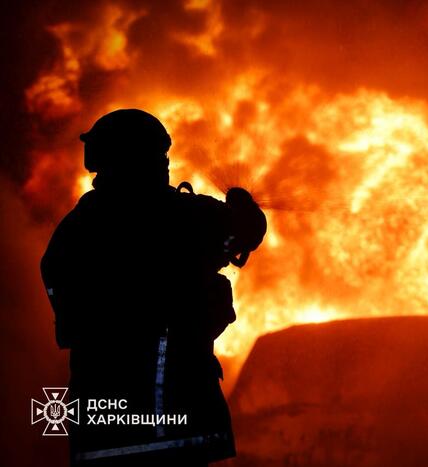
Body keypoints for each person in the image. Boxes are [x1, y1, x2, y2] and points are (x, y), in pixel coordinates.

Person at [40, 109, 266, 466]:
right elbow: (243, 232)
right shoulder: (184, 215)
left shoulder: (76, 228)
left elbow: (63, 298)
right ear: (147, 158)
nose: (165, 163)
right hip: (179, 412)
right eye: (160, 156)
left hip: (106, 423)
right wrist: (245, 209)